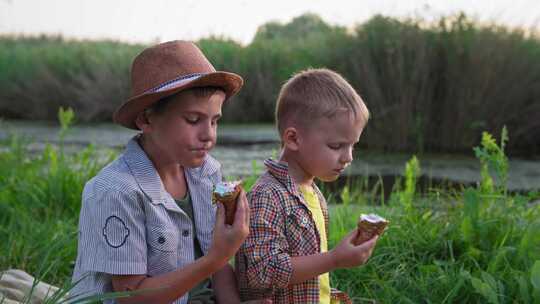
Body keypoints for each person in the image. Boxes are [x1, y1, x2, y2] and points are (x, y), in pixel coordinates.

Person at [71, 40, 250, 304]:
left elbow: (220, 269)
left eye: (214, 121)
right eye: (193, 120)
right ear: (146, 120)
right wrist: (218, 256)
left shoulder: (208, 172)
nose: (208, 135)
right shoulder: (115, 191)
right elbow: (130, 296)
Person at [235, 68, 379, 303]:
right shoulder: (266, 196)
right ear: (293, 139)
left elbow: (308, 270)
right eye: (336, 146)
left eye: (353, 145)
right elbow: (262, 273)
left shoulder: (313, 192)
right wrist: (334, 259)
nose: (348, 157)